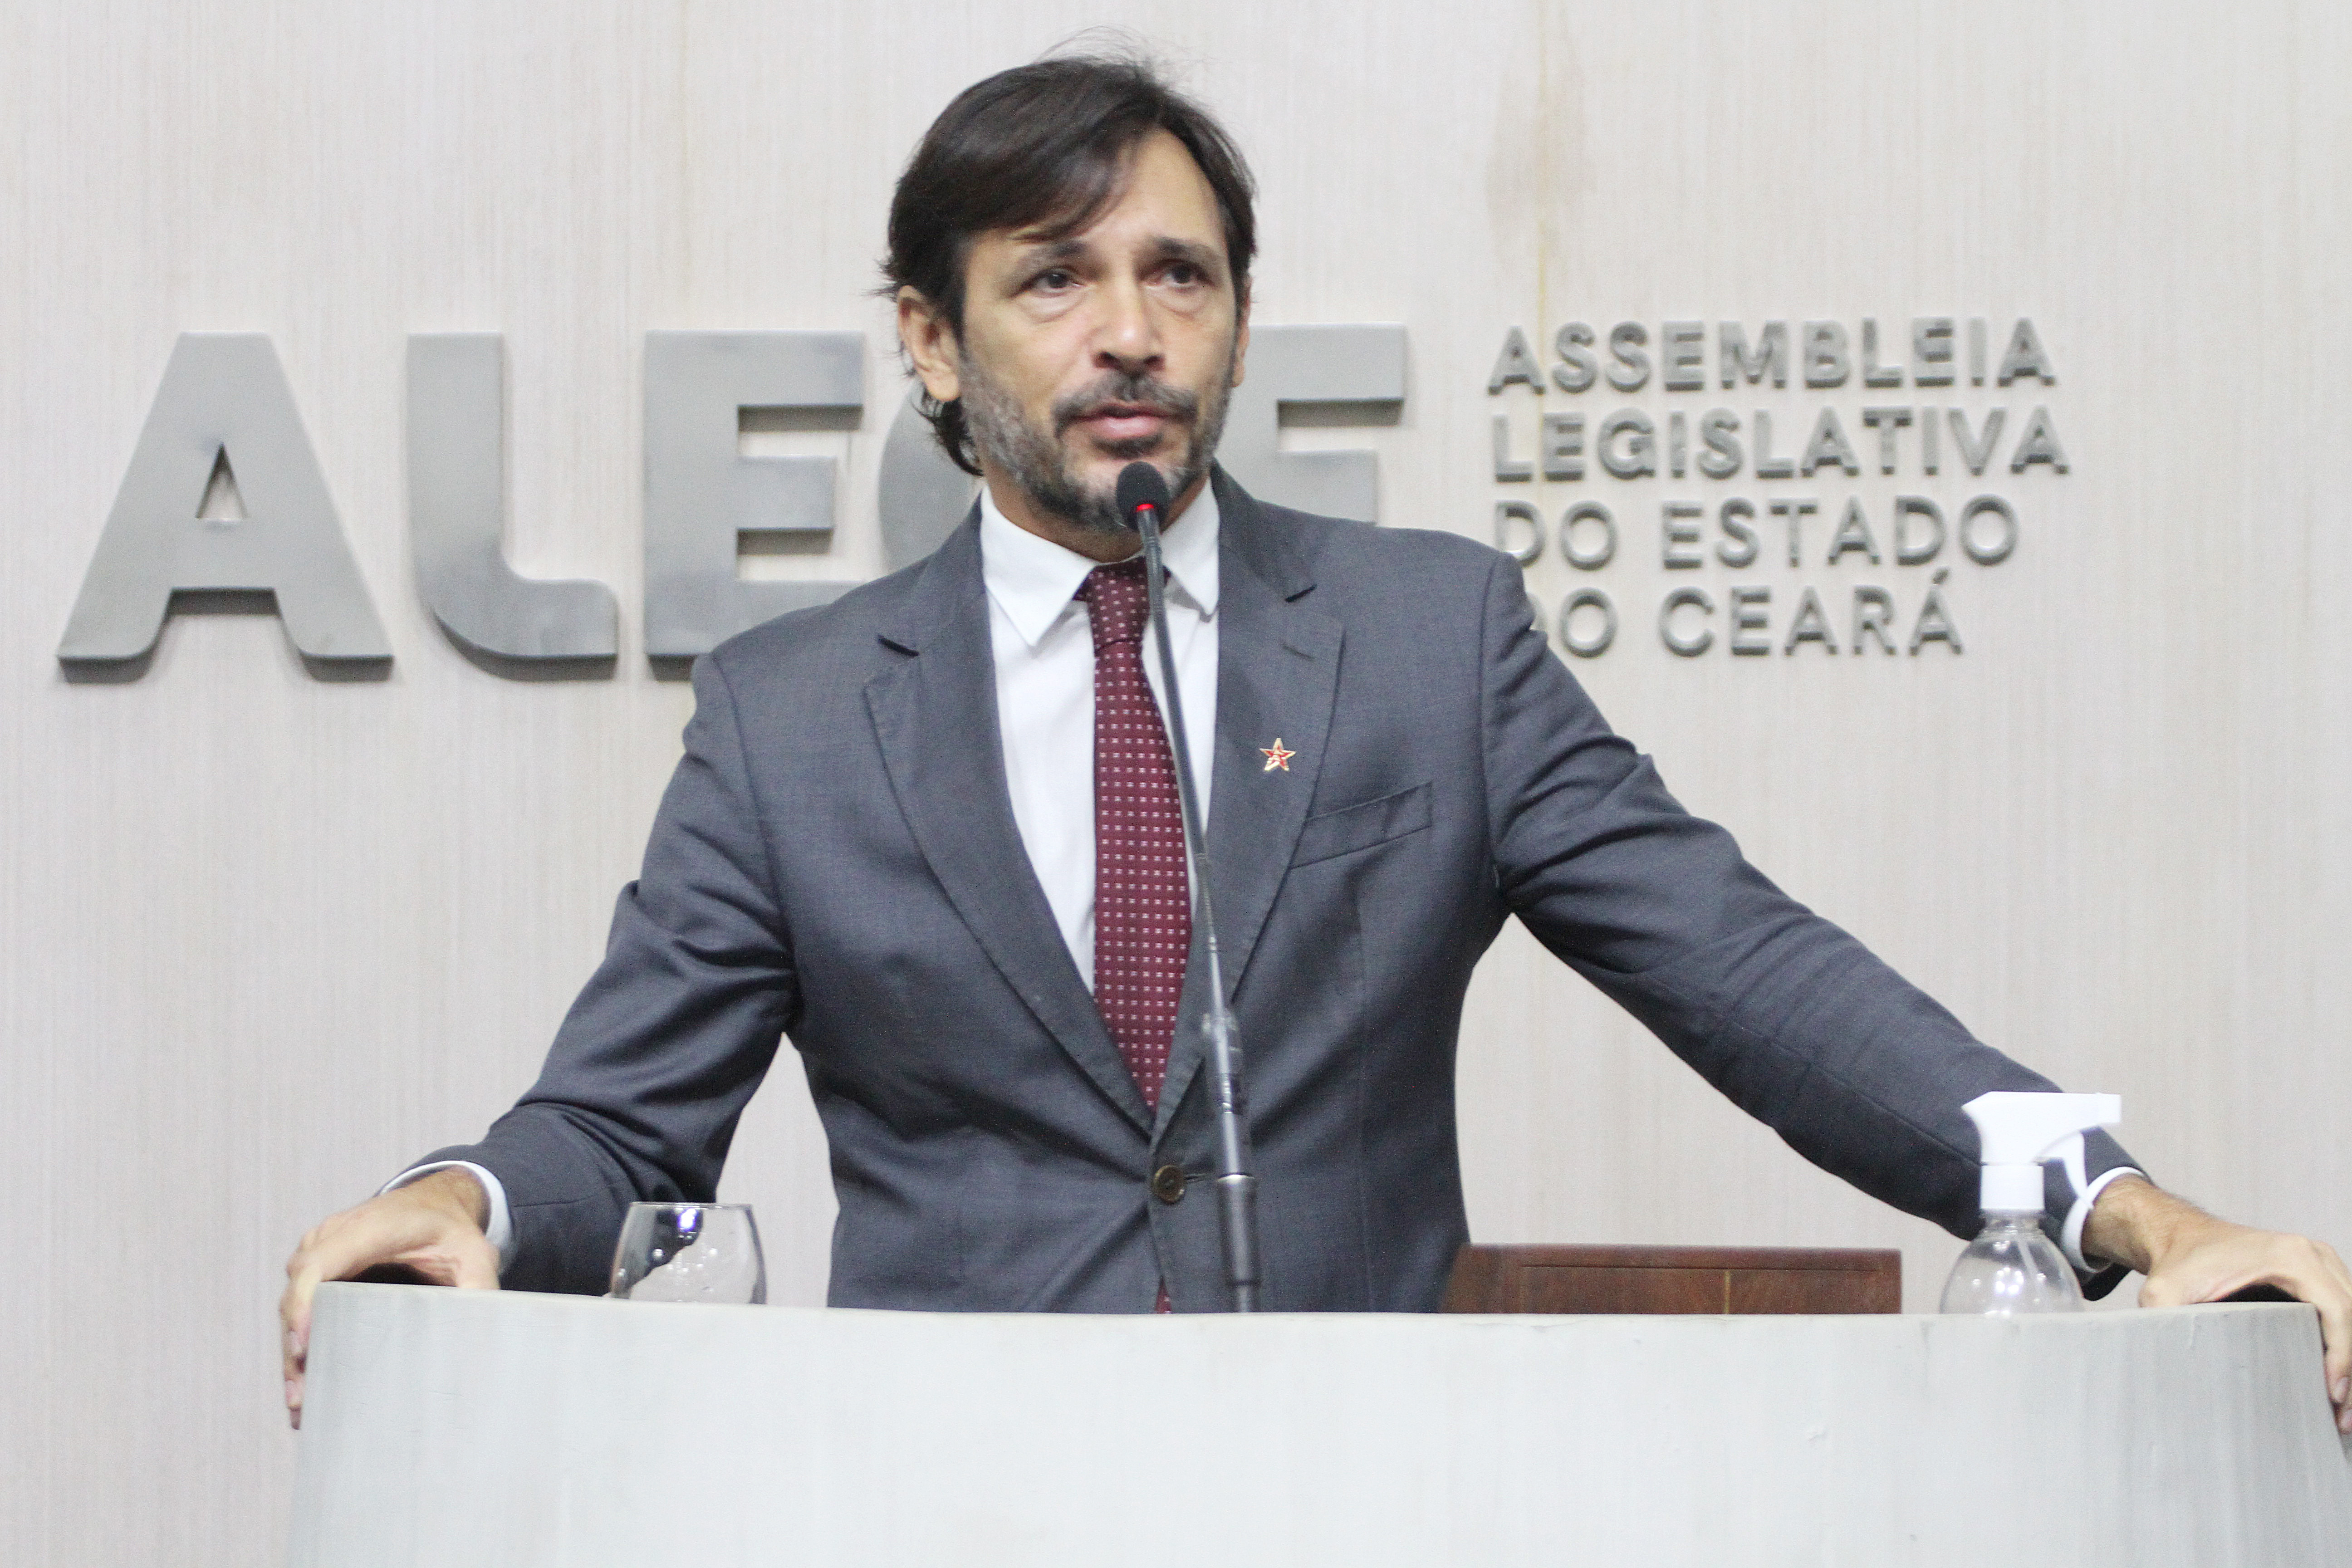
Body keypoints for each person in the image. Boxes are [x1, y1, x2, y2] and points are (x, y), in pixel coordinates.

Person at [281, 51, 2352, 1430]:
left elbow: (1756, 974)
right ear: (930, 335)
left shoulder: (1426, 642)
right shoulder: (794, 717)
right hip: (944, 1508)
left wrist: (2124, 1207)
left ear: (1241, 320)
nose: (1130, 330)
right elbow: (620, 1124)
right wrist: (466, 1201)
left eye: (1179, 275)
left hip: (1364, 1499)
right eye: (1053, 279)